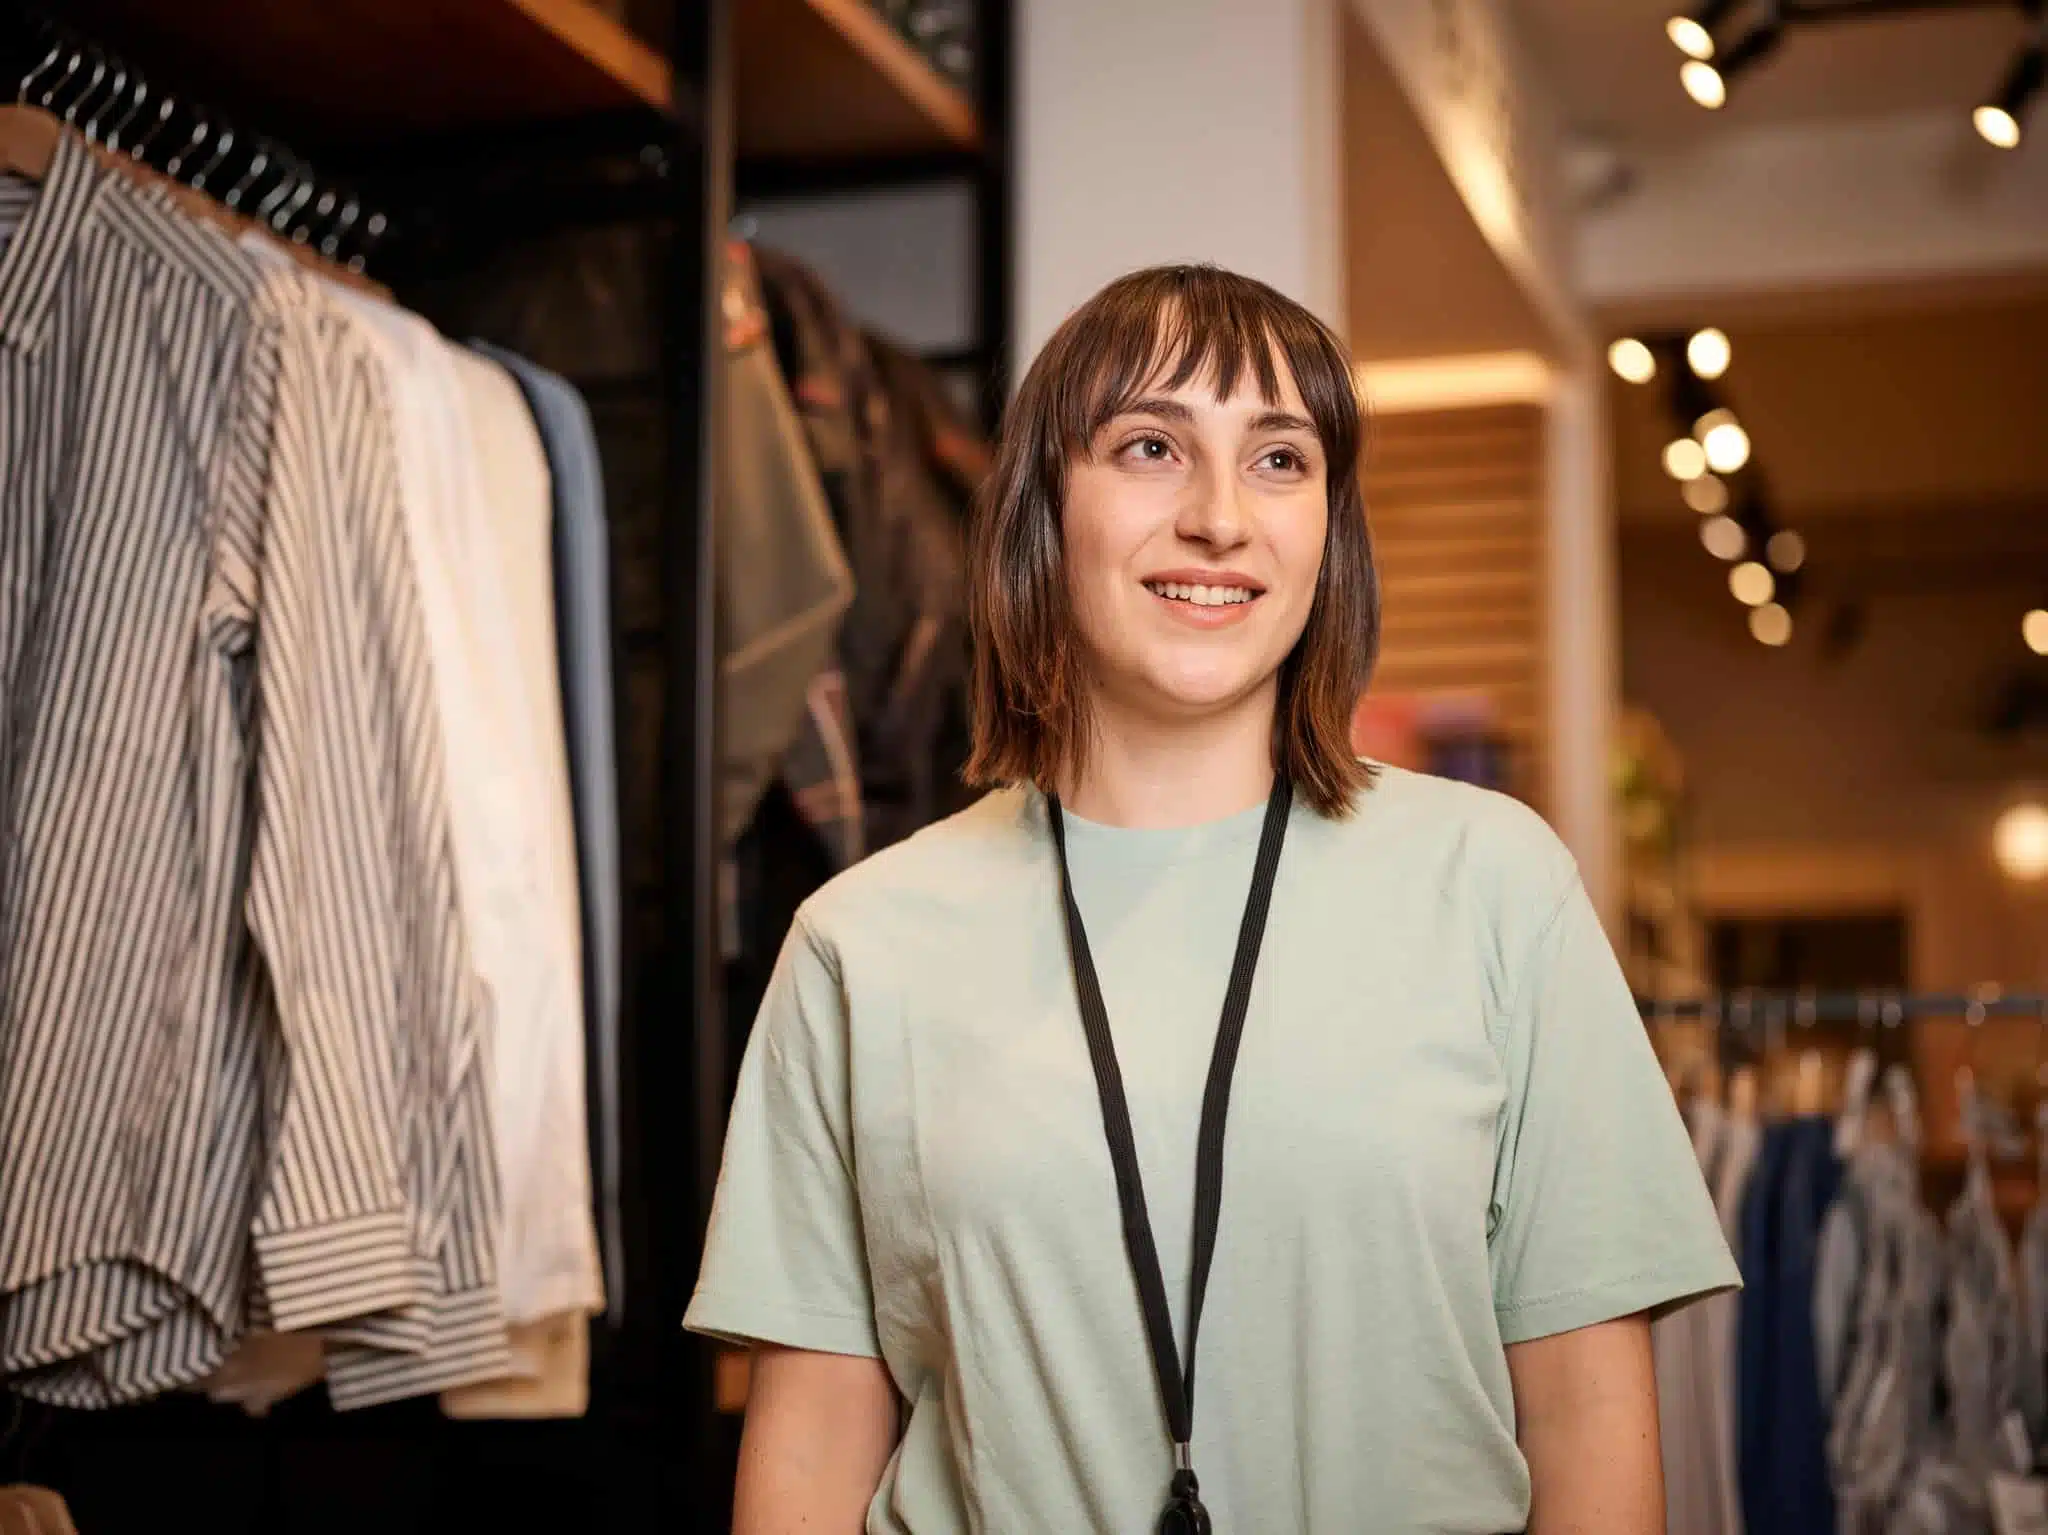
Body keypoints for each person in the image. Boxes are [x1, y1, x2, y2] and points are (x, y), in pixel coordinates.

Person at [685, 264, 1738, 1533]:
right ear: (1041, 511)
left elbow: (1585, 1414)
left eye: (1280, 460)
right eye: (1148, 446)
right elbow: (808, 1443)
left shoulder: (1495, 884)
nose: (1220, 517)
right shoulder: (859, 941)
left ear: (1327, 533)